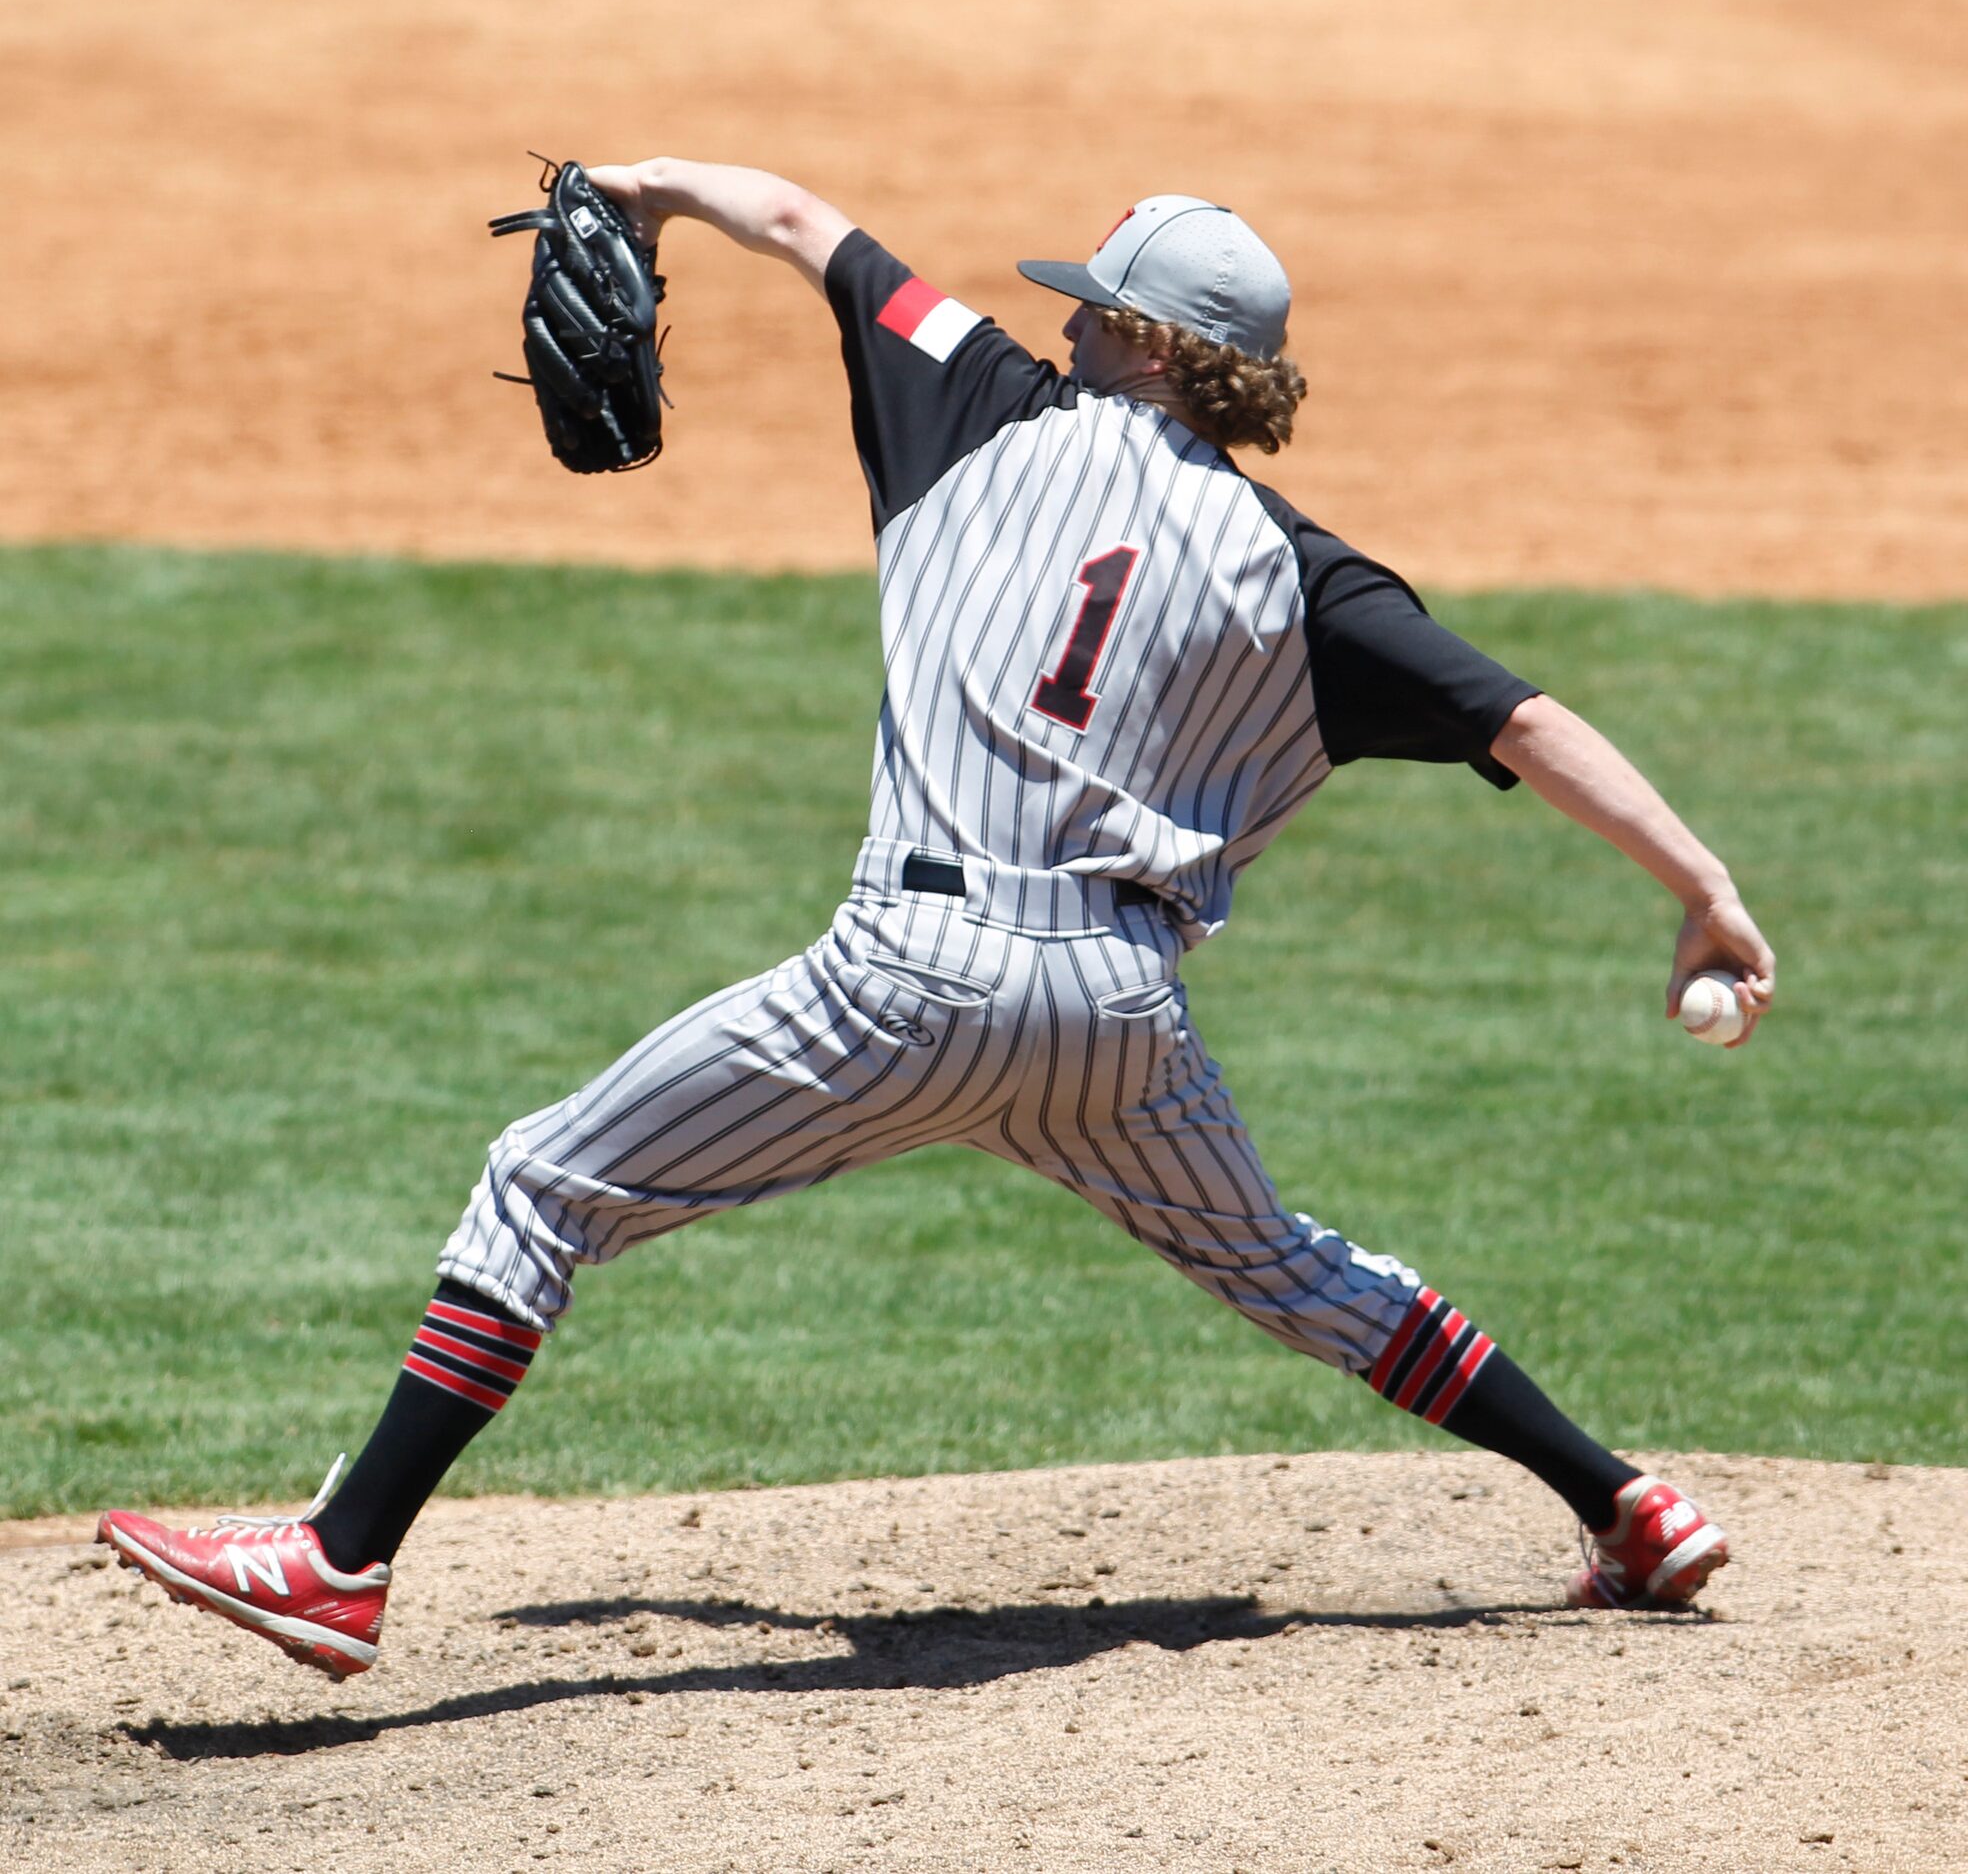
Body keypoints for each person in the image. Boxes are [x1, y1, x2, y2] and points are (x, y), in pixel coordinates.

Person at [98, 167, 1776, 1678]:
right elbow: (1529, 722)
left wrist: (641, 188)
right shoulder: (1308, 575)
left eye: (1083, 302)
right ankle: (1625, 1504)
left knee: (543, 1180)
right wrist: (1702, 889)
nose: (1056, 318)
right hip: (1117, 1023)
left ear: (1133, 334)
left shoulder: (979, 399)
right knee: (1299, 1273)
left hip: (908, 978)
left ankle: (338, 1559)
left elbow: (806, 225)